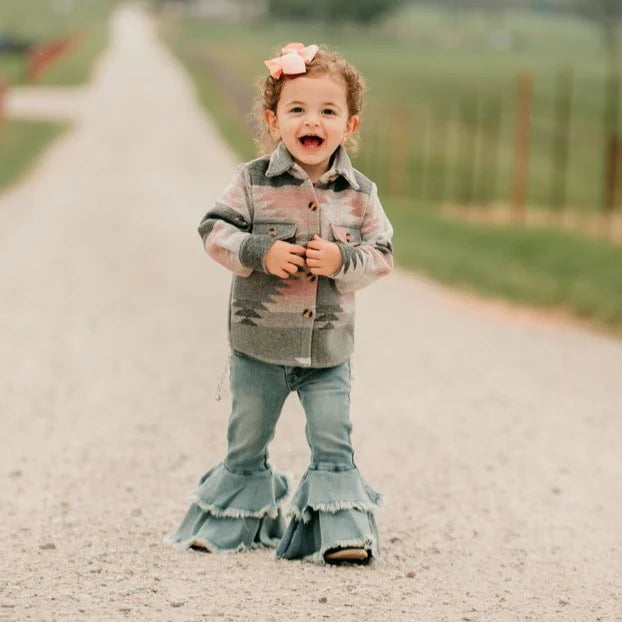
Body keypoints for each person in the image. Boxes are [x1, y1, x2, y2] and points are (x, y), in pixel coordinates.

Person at [164, 42, 394, 565]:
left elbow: (382, 254)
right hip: (258, 348)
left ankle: (341, 533)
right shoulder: (251, 181)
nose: (312, 120)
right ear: (274, 119)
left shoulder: (360, 194)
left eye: (328, 111)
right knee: (247, 441)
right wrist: (259, 252)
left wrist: (340, 261)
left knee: (333, 438)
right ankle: (230, 525)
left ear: (349, 125)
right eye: (297, 109)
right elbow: (213, 229)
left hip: (327, 352)